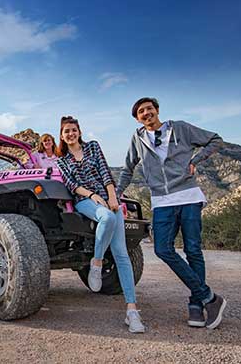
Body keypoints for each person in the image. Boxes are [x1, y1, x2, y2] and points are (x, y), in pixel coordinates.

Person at [117, 97, 226, 329]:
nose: (146, 113)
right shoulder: (138, 139)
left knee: (193, 250)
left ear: (157, 111)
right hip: (161, 201)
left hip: (188, 196)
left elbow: (215, 140)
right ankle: (210, 297)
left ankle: (197, 306)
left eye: (149, 109)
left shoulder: (181, 128)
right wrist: (115, 194)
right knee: (162, 249)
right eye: (141, 112)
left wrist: (197, 159)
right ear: (137, 118)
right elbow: (128, 168)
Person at [56, 116, 146, 333]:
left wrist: (113, 197)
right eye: (66, 131)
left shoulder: (93, 147)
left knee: (122, 255)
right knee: (106, 217)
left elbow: (105, 172)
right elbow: (72, 185)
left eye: (74, 130)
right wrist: (93, 195)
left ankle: (132, 311)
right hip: (85, 201)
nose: (71, 134)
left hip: (108, 197)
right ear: (62, 135)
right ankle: (96, 263)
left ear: (79, 131)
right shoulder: (62, 160)